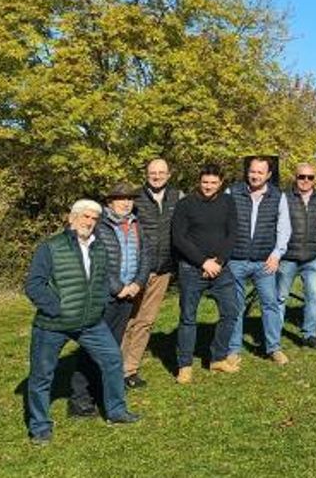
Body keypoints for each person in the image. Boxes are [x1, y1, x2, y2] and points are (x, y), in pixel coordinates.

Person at [24, 200, 140, 443]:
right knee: (42, 376)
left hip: (90, 322)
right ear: (72, 218)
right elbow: (34, 285)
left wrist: (97, 306)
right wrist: (56, 309)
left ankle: (117, 411)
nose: (89, 222)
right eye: (85, 217)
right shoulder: (51, 247)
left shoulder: (98, 248)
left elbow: (100, 281)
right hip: (53, 324)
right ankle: (40, 428)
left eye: (94, 219)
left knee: (112, 359)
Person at [68, 183, 150, 417]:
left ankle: (101, 393)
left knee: (112, 348)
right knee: (92, 348)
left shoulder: (136, 225)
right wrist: (118, 288)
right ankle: (80, 400)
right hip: (105, 296)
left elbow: (146, 255)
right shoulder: (100, 227)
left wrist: (137, 283)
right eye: (120, 199)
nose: (126, 203)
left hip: (128, 295)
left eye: (129, 199)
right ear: (110, 202)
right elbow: (97, 261)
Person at [172, 164, 241, 383]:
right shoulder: (185, 205)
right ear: (199, 181)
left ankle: (218, 358)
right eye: (205, 182)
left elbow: (232, 233)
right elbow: (179, 238)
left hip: (221, 268)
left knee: (231, 312)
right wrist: (203, 262)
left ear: (220, 183)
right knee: (188, 318)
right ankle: (184, 365)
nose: (208, 186)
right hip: (192, 269)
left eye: (213, 183)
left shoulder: (228, 202)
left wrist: (218, 261)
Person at [123, 158, 182, 389]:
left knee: (146, 321)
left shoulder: (178, 197)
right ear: (146, 174)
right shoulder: (135, 197)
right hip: (137, 270)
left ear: (168, 175)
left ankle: (130, 369)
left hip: (164, 269)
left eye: (161, 172)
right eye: (152, 172)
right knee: (128, 319)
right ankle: (115, 366)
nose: (156, 176)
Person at [226, 156, 291, 365]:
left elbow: (284, 228)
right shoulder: (232, 192)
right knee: (235, 306)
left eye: (260, 172)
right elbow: (222, 223)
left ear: (269, 175)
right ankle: (233, 349)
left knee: (270, 304)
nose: (255, 176)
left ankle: (274, 348)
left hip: (265, 262)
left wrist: (276, 254)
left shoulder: (277, 196)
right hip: (235, 259)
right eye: (252, 171)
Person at [277, 163, 316, 349]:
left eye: (310, 177)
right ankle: (275, 335)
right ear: (295, 177)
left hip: (311, 258)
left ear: (315, 179)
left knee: (313, 296)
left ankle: (309, 334)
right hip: (288, 257)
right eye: (302, 177)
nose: (306, 181)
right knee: (280, 297)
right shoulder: (284, 197)